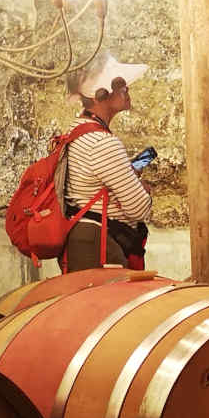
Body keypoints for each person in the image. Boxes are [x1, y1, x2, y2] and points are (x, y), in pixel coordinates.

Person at [61, 56, 154, 271]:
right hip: (105, 250)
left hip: (86, 243)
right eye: (120, 85)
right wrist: (144, 191)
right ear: (100, 95)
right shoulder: (103, 144)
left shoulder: (76, 131)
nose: (127, 89)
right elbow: (139, 209)